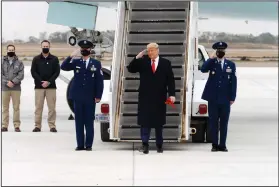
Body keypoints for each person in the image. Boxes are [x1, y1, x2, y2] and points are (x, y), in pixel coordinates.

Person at [127, 43, 175, 154]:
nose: (150, 53)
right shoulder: (143, 61)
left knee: (159, 122)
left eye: (152, 50)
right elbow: (131, 69)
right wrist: (136, 58)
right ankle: (145, 144)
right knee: (145, 122)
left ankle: (159, 145)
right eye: (148, 51)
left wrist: (172, 94)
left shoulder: (165, 63)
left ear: (157, 50)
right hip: (145, 97)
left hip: (160, 96)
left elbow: (170, 80)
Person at [60, 40, 104, 151]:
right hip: (77, 97)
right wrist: (71, 56)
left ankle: (88, 145)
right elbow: (63, 67)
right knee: (79, 122)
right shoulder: (76, 62)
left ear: (90, 50)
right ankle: (80, 144)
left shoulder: (96, 63)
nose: (84, 50)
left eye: (86, 48)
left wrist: (98, 95)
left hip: (90, 97)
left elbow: (99, 81)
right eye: (82, 48)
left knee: (89, 121)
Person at [200, 41, 237, 152]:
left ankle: (223, 145)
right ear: (216, 52)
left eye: (222, 50)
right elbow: (203, 69)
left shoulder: (230, 64)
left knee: (224, 123)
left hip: (225, 99)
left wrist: (232, 97)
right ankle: (214, 144)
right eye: (218, 51)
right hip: (213, 99)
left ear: (225, 52)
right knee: (213, 122)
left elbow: (233, 82)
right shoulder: (212, 63)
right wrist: (211, 58)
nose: (220, 52)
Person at [30, 40, 60, 132]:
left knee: (52, 108)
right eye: (44, 46)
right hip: (39, 87)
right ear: (41, 47)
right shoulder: (36, 59)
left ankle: (52, 126)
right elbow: (33, 72)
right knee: (38, 107)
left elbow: (57, 72)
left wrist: (49, 82)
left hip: (51, 87)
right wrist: (41, 82)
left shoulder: (54, 59)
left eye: (47, 46)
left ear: (49, 47)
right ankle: (37, 126)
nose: (45, 48)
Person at [1, 44, 24, 132]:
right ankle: (4, 125)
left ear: (14, 51)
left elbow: (21, 75)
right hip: (4, 88)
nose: (11, 51)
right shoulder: (2, 62)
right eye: (9, 50)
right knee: (5, 108)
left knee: (16, 107)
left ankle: (16, 126)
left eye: (12, 50)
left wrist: (13, 82)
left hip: (16, 88)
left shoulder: (19, 62)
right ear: (6, 51)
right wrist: (7, 82)